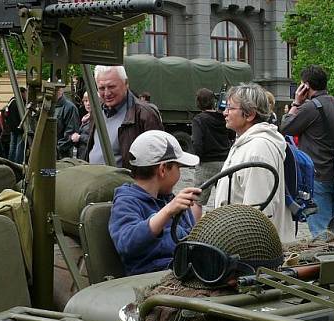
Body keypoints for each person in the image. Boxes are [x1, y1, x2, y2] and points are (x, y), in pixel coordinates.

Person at [109, 130, 202, 275]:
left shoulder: (170, 199)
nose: (180, 172)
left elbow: (192, 238)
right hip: (150, 279)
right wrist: (166, 212)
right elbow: (126, 243)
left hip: (184, 270)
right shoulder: (127, 201)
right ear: (163, 169)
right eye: (179, 167)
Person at [213, 83, 294, 244]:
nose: (224, 113)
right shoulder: (247, 142)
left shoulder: (259, 149)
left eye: (230, 108)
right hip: (238, 243)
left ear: (249, 114)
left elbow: (258, 213)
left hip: (251, 250)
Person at [280, 65, 334, 236]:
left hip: (318, 175)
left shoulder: (311, 107)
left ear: (306, 86)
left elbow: (285, 128)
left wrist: (296, 103)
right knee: (333, 229)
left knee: (321, 232)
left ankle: (327, 261)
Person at [84, 65, 163, 167]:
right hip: (94, 180)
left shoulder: (144, 114)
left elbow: (157, 159)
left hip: (125, 182)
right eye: (102, 88)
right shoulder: (97, 112)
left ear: (126, 84)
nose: (107, 93)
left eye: (112, 86)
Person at [191, 88, 233, 207]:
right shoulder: (223, 117)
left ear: (198, 102)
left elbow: (197, 143)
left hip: (206, 163)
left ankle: (196, 225)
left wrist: (198, 158)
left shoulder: (199, 119)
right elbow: (231, 135)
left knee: (197, 201)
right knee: (225, 199)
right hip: (225, 163)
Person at [55, 87, 79, 159]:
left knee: (58, 170)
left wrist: (57, 148)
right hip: (48, 152)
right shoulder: (48, 106)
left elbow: (71, 134)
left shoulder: (70, 108)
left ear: (61, 91)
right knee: (46, 170)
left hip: (62, 154)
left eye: (56, 90)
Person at [5, 87, 27, 163]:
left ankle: (11, 162)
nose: (26, 95)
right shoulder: (20, 102)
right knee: (19, 146)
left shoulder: (11, 102)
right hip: (19, 127)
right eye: (25, 93)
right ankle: (18, 163)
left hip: (12, 127)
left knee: (13, 146)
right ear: (22, 93)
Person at [71, 92, 91, 160]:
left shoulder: (99, 119)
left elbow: (97, 140)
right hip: (82, 156)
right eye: (86, 101)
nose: (88, 104)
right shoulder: (85, 118)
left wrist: (80, 137)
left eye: (90, 101)